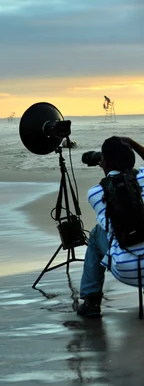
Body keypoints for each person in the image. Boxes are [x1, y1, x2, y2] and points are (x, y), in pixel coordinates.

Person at [78, 136, 144, 318]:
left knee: (96, 233)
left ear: (105, 162)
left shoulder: (95, 193)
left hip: (124, 269)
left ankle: (91, 301)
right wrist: (130, 142)